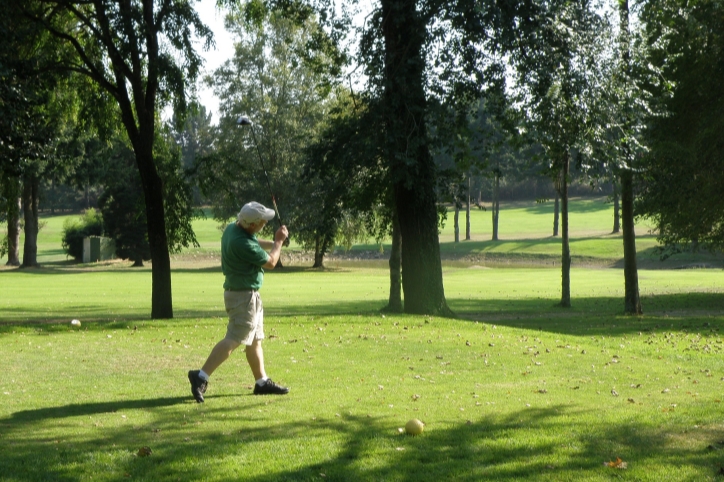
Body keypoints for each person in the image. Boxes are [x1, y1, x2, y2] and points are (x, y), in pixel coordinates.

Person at [188, 201, 289, 402]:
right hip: (244, 297)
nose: (265, 224)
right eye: (262, 222)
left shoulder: (233, 229)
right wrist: (278, 242)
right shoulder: (241, 243)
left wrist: (275, 242)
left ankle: (261, 382)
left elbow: (254, 241)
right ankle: (200, 376)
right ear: (252, 224)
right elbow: (271, 263)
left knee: (254, 341)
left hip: (247, 295)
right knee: (234, 339)